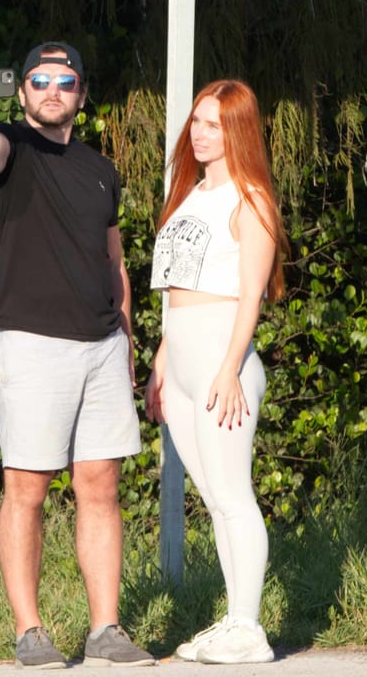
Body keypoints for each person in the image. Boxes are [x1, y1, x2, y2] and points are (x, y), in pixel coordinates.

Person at [0, 42, 157, 670]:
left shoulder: (100, 169)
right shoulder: (13, 149)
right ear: (24, 90)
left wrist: (125, 341)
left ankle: (106, 629)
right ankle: (30, 632)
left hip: (102, 348)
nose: (51, 89)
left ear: (82, 95)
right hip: (33, 346)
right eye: (39, 79)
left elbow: (114, 261)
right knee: (27, 489)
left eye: (65, 81)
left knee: (100, 487)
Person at [144, 79, 286, 666]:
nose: (200, 134)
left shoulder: (251, 198)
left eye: (214, 124)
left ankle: (249, 629)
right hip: (180, 358)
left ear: (239, 130)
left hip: (221, 361)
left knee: (232, 496)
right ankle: (234, 620)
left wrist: (229, 370)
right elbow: (176, 289)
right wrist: (161, 361)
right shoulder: (190, 192)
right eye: (197, 122)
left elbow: (251, 295)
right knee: (214, 497)